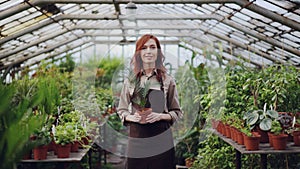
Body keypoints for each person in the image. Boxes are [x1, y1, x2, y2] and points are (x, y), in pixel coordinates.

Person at [117, 34, 183, 169]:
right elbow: (122, 110)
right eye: (144, 48)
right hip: (137, 140)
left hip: (162, 141)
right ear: (138, 53)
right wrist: (132, 117)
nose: (148, 51)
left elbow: (176, 112)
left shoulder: (167, 80)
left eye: (152, 47)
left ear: (158, 52)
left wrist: (160, 116)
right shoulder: (130, 81)